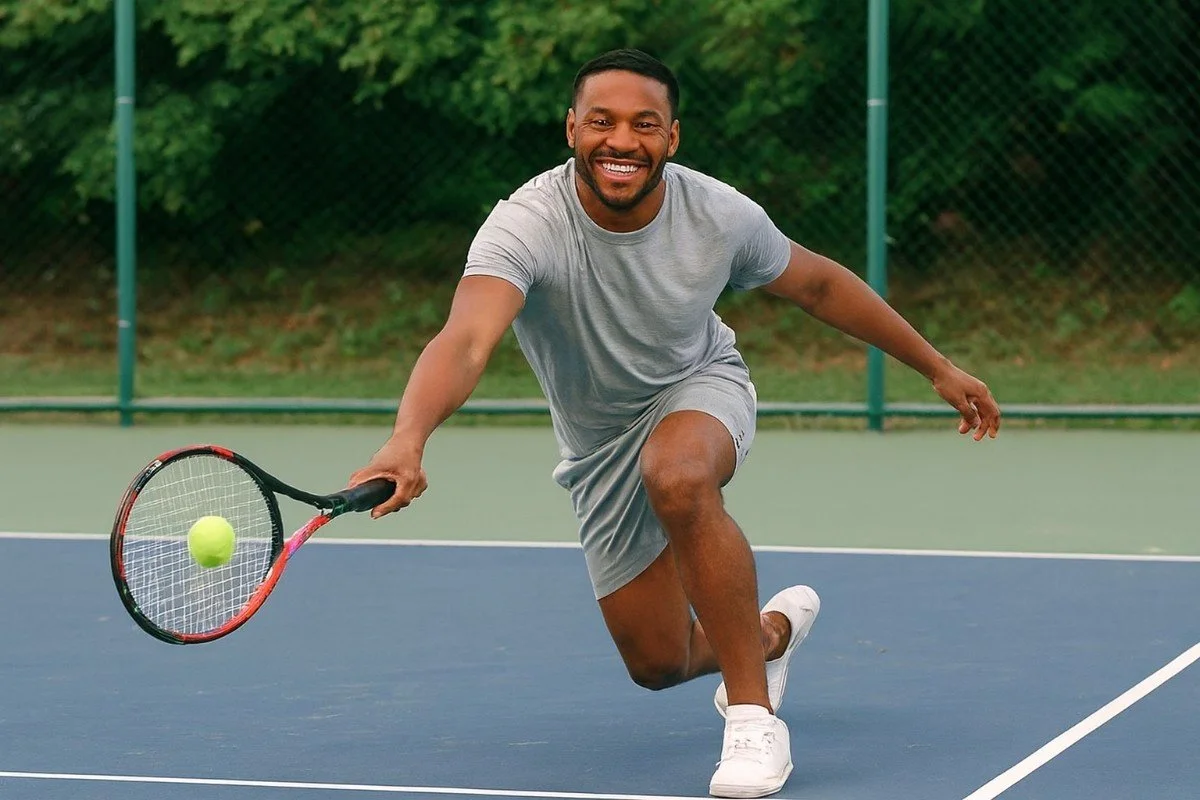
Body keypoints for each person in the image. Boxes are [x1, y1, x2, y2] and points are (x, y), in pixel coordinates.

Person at [348, 48, 1001, 798]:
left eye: (643, 125)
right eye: (602, 121)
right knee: (657, 663)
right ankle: (768, 639)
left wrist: (937, 367)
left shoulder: (718, 214)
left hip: (699, 390)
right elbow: (466, 338)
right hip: (598, 447)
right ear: (571, 129)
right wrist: (409, 434)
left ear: (672, 138)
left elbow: (819, 285)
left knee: (679, 473)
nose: (621, 140)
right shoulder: (524, 225)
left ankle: (754, 724)